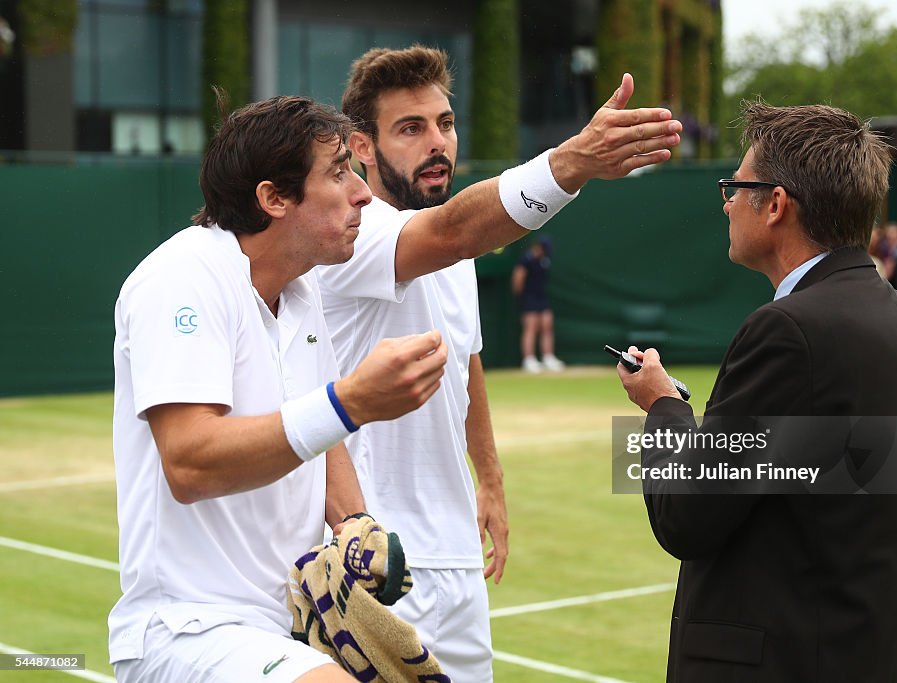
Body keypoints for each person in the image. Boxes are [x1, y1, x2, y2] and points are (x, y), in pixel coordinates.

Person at [616, 102, 897, 682]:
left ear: (776, 204)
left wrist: (663, 407)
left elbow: (685, 515)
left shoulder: (787, 330)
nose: (727, 202)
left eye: (736, 186)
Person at [316, 45, 680, 681]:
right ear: (362, 147)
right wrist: (573, 162)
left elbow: (466, 359)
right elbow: (455, 231)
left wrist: (490, 477)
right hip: (370, 563)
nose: (437, 143)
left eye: (445, 124)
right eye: (411, 128)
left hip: (455, 562)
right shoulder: (353, 233)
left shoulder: (453, 246)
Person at [110, 94, 454, 683]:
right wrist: (351, 403)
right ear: (273, 199)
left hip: (283, 628)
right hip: (186, 631)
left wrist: (353, 525)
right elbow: (190, 463)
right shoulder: (181, 279)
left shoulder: (301, 289)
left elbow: (319, 430)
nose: (362, 193)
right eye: (338, 172)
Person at [512, 235, 566, 372]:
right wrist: (523, 297)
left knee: (547, 325)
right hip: (529, 297)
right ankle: (528, 360)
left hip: (542, 297)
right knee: (531, 327)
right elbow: (518, 278)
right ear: (537, 247)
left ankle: (548, 357)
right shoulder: (526, 259)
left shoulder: (545, 260)